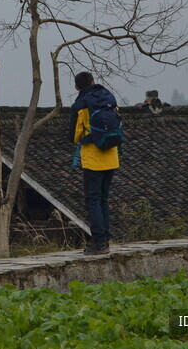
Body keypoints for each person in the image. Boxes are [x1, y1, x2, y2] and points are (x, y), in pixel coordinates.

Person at [69, 71, 119, 255]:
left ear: (76, 87)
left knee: (92, 200)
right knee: (103, 198)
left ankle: (99, 243)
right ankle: (105, 238)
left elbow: (74, 136)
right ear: (93, 82)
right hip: (112, 155)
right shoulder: (109, 97)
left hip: (93, 158)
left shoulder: (80, 105)